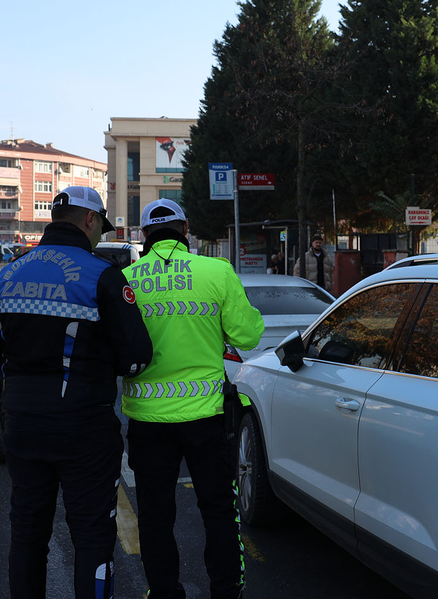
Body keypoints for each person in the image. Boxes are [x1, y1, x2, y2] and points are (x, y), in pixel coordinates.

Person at [0, 186, 153, 599]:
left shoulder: (9, 274)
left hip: (21, 424)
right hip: (84, 428)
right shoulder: (101, 276)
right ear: (90, 220)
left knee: (27, 532)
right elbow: (136, 358)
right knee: (92, 537)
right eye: (99, 227)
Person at [122, 198, 263, 599]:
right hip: (207, 418)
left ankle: (165, 593)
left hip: (147, 420)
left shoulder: (126, 279)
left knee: (155, 516)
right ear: (185, 230)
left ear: (145, 235)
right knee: (218, 511)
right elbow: (249, 336)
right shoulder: (216, 271)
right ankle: (227, 591)